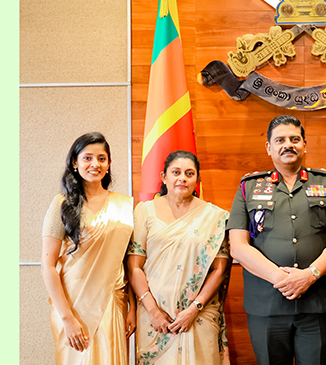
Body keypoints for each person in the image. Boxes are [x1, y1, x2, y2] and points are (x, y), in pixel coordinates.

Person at [228, 115, 326, 365]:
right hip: (267, 304)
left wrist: (309, 276)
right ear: (269, 147)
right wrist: (282, 279)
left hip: (318, 302)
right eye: (280, 140)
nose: (288, 145)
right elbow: (238, 247)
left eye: (295, 139)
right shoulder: (248, 188)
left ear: (305, 144)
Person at [127, 150, 230, 364]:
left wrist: (194, 309)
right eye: (176, 172)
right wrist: (153, 311)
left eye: (189, 173)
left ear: (197, 179)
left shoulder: (215, 217)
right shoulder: (144, 211)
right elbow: (134, 266)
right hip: (155, 317)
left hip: (199, 315)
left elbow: (219, 270)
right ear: (164, 177)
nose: (182, 178)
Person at [41, 132, 135, 365]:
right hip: (72, 305)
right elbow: (48, 266)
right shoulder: (61, 204)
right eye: (87, 158)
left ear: (109, 163)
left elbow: (127, 262)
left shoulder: (125, 206)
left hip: (111, 302)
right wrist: (67, 318)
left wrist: (132, 307)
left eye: (102, 158)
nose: (95, 164)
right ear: (75, 163)